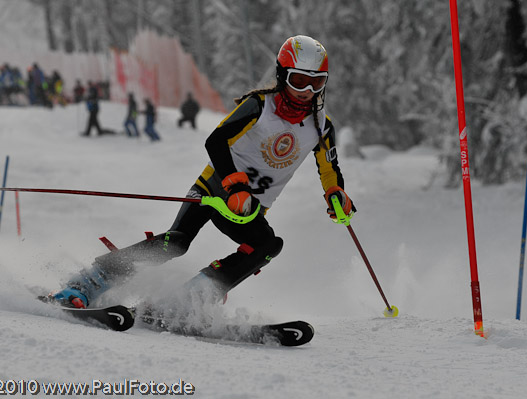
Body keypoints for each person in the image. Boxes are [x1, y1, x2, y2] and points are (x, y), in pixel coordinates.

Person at [46, 35, 354, 325]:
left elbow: (328, 168)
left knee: (268, 245)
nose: (306, 90)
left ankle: (188, 300)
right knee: (176, 243)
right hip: (215, 189)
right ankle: (88, 282)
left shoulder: (320, 126)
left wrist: (336, 194)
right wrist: (235, 185)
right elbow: (216, 141)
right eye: (298, 80)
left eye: (316, 82)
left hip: (249, 207)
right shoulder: (260, 106)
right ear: (282, 74)